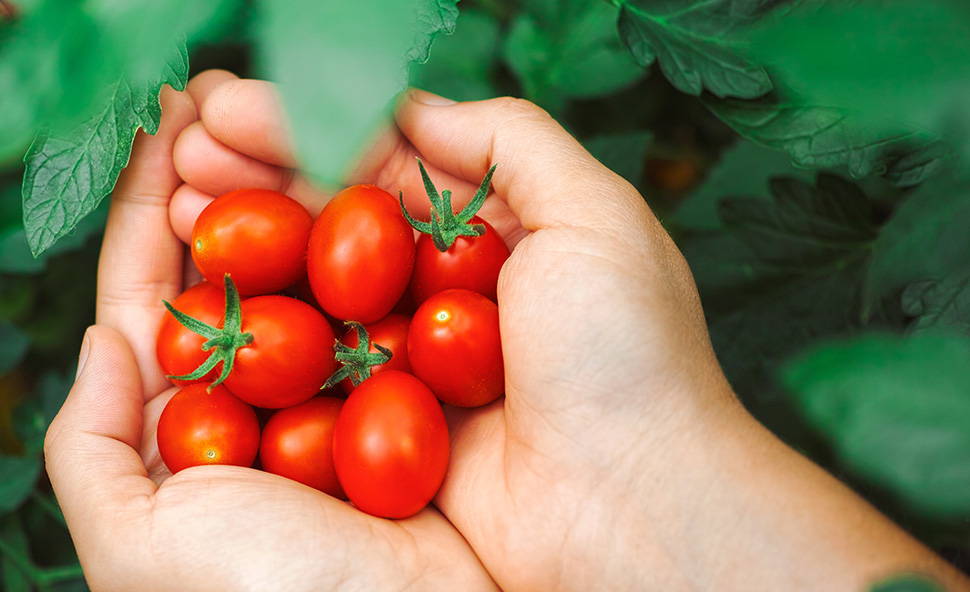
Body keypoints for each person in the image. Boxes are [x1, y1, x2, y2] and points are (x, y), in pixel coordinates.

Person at [44, 69, 970, 592]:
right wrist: (651, 477)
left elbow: (402, 327)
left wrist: (647, 469)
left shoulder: (389, 319)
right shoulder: (336, 346)